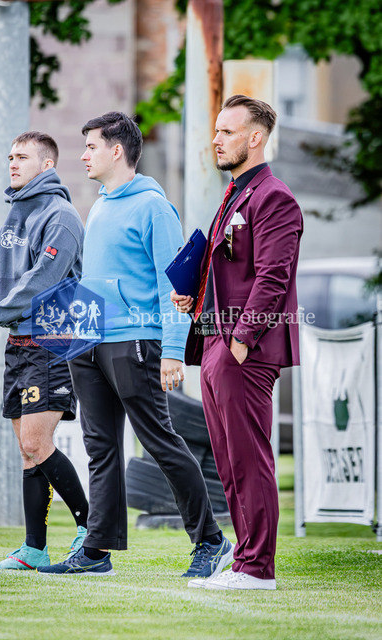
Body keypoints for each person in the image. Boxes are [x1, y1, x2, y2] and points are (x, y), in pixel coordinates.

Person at [37, 111, 233, 577]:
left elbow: (177, 288)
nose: (84, 155)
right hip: (90, 341)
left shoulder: (154, 208)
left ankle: (211, 541)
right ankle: (96, 550)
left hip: (137, 342)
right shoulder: (101, 205)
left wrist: (172, 350)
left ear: (117, 150)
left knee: (159, 441)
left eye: (91, 147)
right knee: (100, 447)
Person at [172, 95, 303, 590]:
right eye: (217, 130)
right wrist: (196, 297)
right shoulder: (234, 193)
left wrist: (241, 341)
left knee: (249, 459)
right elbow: (231, 268)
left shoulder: (274, 198)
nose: (216, 139)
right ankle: (245, 558)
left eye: (227, 131)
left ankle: (257, 569)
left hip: (243, 349)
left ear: (255, 137)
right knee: (229, 462)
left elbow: (273, 278)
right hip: (214, 342)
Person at [0, 131, 88, 570]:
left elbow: (40, 284)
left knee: (36, 441)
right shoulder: (13, 216)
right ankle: (34, 550)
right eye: (10, 156)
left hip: (52, 343)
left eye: (22, 157)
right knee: (27, 450)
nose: (12, 163)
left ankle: (92, 530)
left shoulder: (61, 216)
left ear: (47, 165)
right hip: (18, 346)